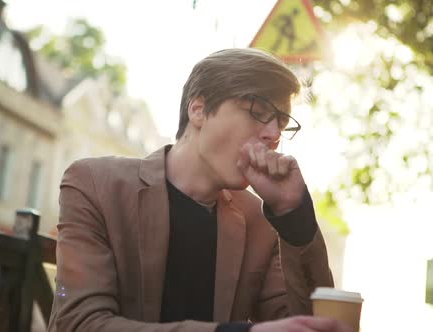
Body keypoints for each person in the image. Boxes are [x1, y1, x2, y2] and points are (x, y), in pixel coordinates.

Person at [48, 48, 352, 332]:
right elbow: (80, 323)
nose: (273, 134)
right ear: (199, 109)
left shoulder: (261, 222)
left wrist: (294, 217)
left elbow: (311, 324)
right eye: (258, 111)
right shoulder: (94, 184)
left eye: (282, 124)